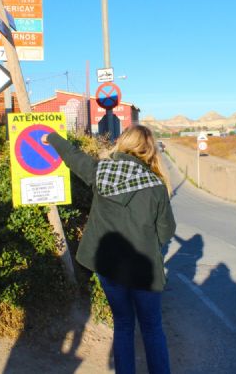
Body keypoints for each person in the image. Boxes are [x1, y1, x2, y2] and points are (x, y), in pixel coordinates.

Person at [43, 125, 176, 374]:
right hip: (144, 271)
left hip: (109, 267)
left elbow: (73, 156)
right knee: (152, 328)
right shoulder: (156, 186)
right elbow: (167, 230)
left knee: (124, 324)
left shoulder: (100, 172)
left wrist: (51, 137)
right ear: (148, 150)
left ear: (123, 143)